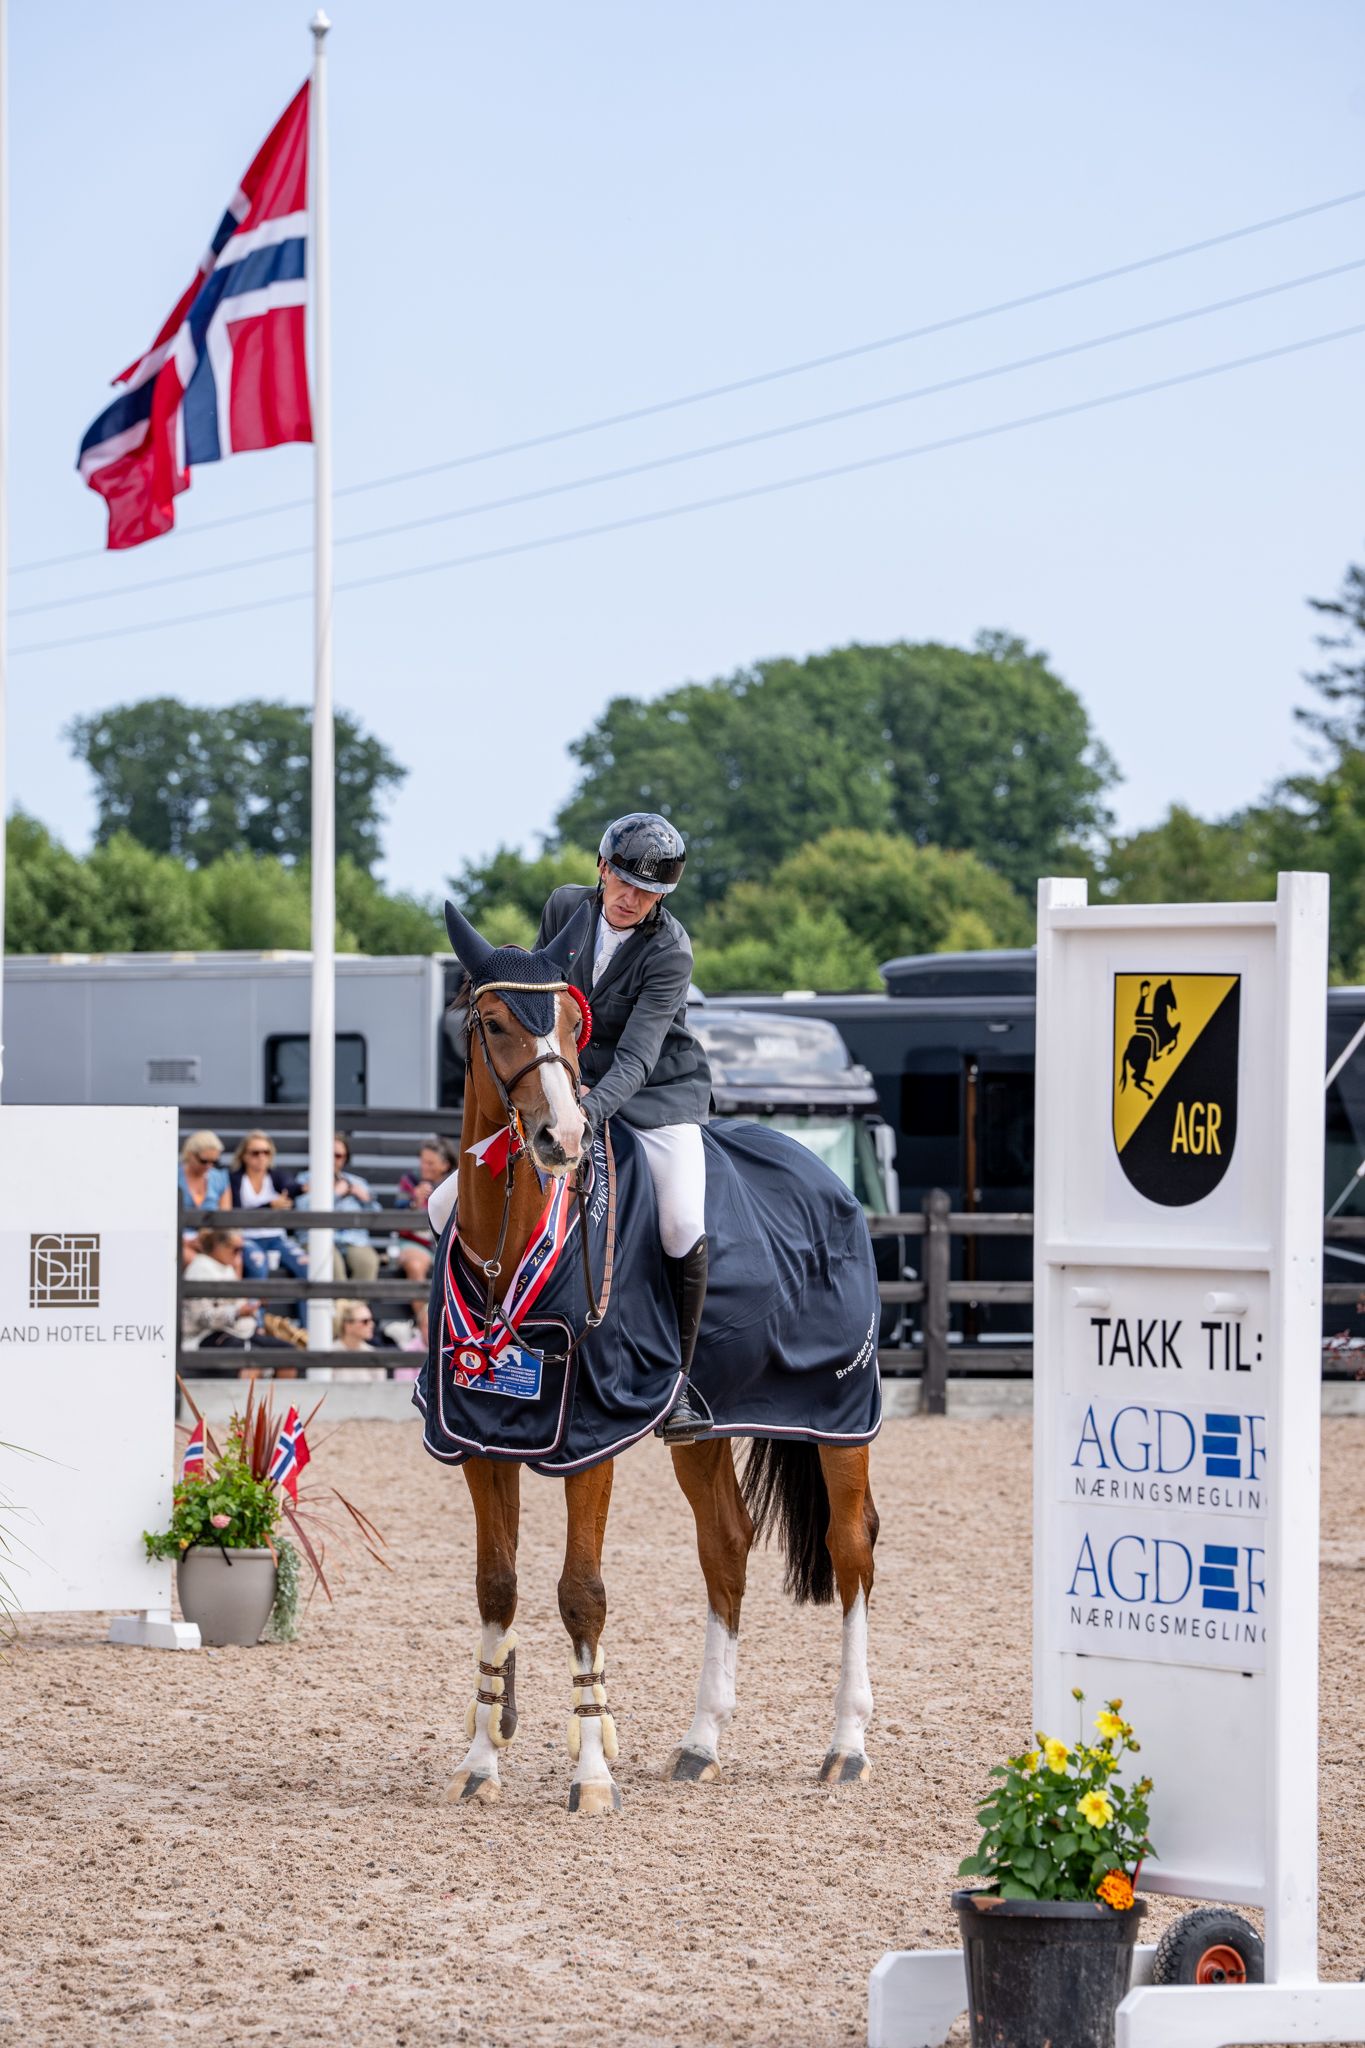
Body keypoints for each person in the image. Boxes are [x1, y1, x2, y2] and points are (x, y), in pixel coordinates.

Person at [536, 812, 713, 1444]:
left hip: (659, 1090)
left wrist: (585, 1109)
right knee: (446, 1199)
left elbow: (639, 1057)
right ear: (602, 868)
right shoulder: (565, 909)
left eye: (649, 893)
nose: (631, 900)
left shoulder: (670, 950)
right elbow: (542, 1005)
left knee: (681, 1221)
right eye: (624, 882)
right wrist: (555, 1088)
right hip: (570, 1080)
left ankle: (679, 1384)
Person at [181, 1228, 293, 1353]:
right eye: (236, 1249)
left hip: (236, 1332)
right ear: (219, 1246)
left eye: (242, 1250)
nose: (240, 1255)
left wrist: (249, 1311)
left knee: (287, 1352)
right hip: (204, 1336)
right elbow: (201, 1318)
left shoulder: (225, 1267)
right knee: (254, 1358)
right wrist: (237, 1313)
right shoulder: (200, 1270)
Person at [296, 1132, 382, 1284]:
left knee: (368, 1262)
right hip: (319, 1238)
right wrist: (335, 1193)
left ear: (345, 1159)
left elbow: (377, 1214)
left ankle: (354, 1307)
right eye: (329, 1154)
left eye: (338, 1156)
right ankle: (346, 1307)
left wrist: (365, 1199)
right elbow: (303, 1209)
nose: (333, 1160)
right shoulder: (306, 1179)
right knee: (332, 1266)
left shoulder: (357, 1182)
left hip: (353, 1239)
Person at [226, 1130, 308, 1285]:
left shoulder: (276, 1176)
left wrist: (302, 1188)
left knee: (305, 1265)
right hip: (247, 1237)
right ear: (244, 1155)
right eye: (255, 1153)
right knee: (258, 1266)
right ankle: (256, 1309)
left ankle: (309, 1310)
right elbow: (236, 1213)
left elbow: (290, 1187)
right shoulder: (235, 1179)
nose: (261, 1157)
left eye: (266, 1152)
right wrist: (269, 1206)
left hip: (276, 1237)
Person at [394, 1137, 457, 1286]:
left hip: (449, 1244)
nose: (424, 1167)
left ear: (445, 1165)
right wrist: (414, 1201)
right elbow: (398, 1214)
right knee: (415, 1266)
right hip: (415, 1243)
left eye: (430, 1163)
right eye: (422, 1161)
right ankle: (423, 1310)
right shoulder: (410, 1180)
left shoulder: (455, 1184)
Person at [177, 1130, 230, 1267]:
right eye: (204, 1161)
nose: (209, 1166)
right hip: (180, 1237)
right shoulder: (174, 1176)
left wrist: (209, 1238)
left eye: (214, 1162)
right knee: (198, 1263)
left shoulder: (219, 1177)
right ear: (189, 1155)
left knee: (234, 1260)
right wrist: (184, 1240)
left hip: (212, 1239)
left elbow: (225, 1215)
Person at [332, 1299, 387, 1382]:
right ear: (347, 1325)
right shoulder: (330, 1353)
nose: (371, 1324)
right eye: (365, 1321)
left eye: (371, 1320)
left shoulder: (373, 1355)